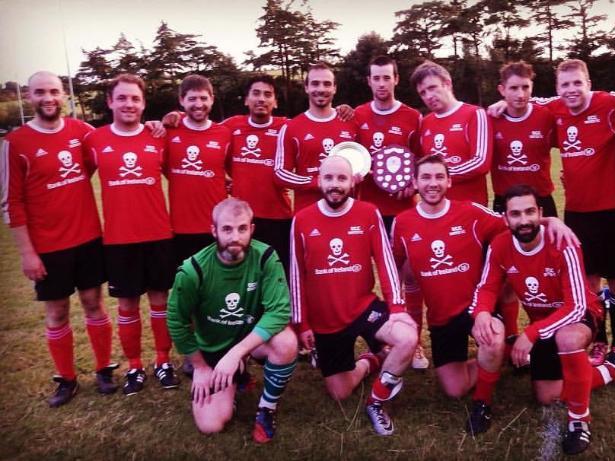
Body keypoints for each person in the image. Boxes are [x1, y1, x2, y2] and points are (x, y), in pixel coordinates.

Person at [488, 59, 615, 366]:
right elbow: (525, 99)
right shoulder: (555, 108)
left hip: (613, 212)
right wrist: (500, 103)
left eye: (578, 83)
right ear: (557, 89)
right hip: (576, 213)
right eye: (565, 84)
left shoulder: (609, 103)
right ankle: (599, 341)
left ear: (589, 83)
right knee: (588, 284)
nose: (572, 89)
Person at [392, 154, 578, 435]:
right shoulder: (403, 223)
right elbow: (395, 268)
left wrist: (551, 221)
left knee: (491, 336)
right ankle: (503, 355)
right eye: (426, 177)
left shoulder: (471, 212)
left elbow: (517, 220)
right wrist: (399, 313)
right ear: (415, 183)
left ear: (449, 181)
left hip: (477, 308)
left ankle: (485, 393)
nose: (433, 183)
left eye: (439, 177)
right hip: (441, 319)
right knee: (454, 389)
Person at [471, 185, 615, 455]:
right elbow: (486, 287)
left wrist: (531, 333)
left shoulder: (562, 242)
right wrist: (482, 313)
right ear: (506, 218)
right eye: (516, 214)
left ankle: (579, 420)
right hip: (545, 324)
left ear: (540, 213)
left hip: (580, 317)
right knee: (548, 396)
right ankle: (612, 370)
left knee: (566, 338)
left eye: (530, 212)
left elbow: (576, 306)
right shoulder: (500, 245)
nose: (524, 220)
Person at [2, 71, 115, 406]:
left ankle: (104, 370)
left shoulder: (82, 132)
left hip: (88, 238)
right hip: (48, 246)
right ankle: (66, 379)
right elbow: (11, 202)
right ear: (29, 96)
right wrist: (27, 253)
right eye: (40, 92)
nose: (48, 98)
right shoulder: (15, 143)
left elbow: (113, 146)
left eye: (54, 91)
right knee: (57, 312)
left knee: (94, 304)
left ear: (64, 94)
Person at [290, 155, 418, 436]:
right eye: (329, 178)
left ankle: (376, 402)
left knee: (407, 337)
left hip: (363, 308)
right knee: (340, 392)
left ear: (352, 182)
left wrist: (397, 308)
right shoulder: (302, 220)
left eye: (341, 178)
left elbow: (385, 261)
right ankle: (371, 360)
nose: (335, 184)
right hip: (326, 320)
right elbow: (296, 275)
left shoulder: (368, 213)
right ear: (319, 181)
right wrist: (302, 323)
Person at [167, 198, 297, 443]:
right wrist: (200, 367)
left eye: (242, 228)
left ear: (251, 229)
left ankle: (267, 407)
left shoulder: (265, 257)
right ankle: (236, 377)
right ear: (214, 230)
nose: (235, 237)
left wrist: (236, 353)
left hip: (250, 340)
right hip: (213, 349)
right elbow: (176, 321)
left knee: (287, 342)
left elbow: (279, 312)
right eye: (227, 229)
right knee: (211, 425)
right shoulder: (193, 270)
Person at [83, 73, 179, 394]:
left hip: (158, 234)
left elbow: (180, 174)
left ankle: (163, 361)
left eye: (135, 98)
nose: (129, 104)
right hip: (119, 239)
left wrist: (172, 116)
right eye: (122, 98)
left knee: (160, 301)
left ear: (144, 103)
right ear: (110, 102)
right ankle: (134, 366)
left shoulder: (159, 136)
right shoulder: (94, 140)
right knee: (127, 306)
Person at [354, 55, 428, 369]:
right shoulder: (356, 115)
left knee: (409, 277)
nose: (382, 83)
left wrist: (412, 185)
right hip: (367, 212)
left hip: (403, 212)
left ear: (396, 79)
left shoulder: (413, 117)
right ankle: (386, 338)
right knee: (373, 278)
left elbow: (424, 162)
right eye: (377, 78)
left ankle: (415, 342)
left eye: (387, 77)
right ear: (369, 81)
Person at [490, 60, 558, 347]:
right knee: (506, 273)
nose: (520, 94)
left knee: (548, 269)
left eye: (525, 88)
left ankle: (548, 330)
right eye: (513, 88)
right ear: (501, 89)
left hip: (541, 202)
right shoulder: (491, 118)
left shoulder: (546, 115)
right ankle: (509, 335)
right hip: (505, 206)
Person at [222, 74, 292, 272]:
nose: (261, 99)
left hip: (278, 217)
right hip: (241, 219)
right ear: (246, 99)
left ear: (275, 102)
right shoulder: (231, 126)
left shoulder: (287, 127)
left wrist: (341, 110)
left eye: (268, 94)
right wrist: (178, 115)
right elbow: (201, 128)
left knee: (278, 274)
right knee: (244, 276)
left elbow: (317, 124)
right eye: (256, 93)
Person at [165, 74, 231, 268]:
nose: (198, 104)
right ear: (181, 100)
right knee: (186, 282)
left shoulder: (224, 134)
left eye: (203, 98)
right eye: (192, 99)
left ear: (212, 99)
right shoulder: (168, 131)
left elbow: (234, 169)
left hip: (217, 227)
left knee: (218, 282)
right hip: (180, 229)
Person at [275, 62, 359, 211]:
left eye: (327, 84)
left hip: (347, 214)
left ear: (334, 88)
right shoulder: (291, 127)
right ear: (306, 87)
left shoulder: (351, 122)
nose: (321, 89)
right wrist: (318, 182)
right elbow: (280, 174)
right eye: (315, 84)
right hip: (308, 213)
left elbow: (363, 163)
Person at [410, 60, 492, 206]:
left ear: (447, 84)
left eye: (432, 88)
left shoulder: (474, 114)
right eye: (423, 93)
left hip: (470, 207)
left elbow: (480, 163)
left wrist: (439, 176)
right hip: (436, 210)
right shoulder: (425, 123)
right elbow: (420, 164)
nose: (428, 96)